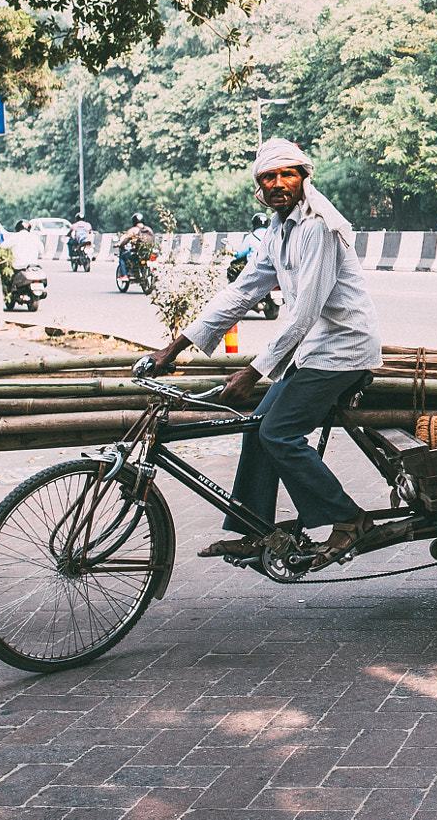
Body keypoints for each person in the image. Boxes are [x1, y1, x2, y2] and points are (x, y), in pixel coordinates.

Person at [143, 139, 383, 567]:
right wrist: (175, 347)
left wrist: (253, 372)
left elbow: (305, 312)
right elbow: (241, 292)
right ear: (259, 186)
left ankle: (349, 519)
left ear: (303, 178)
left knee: (279, 433)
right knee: (258, 427)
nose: (278, 184)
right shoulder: (277, 230)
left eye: (287, 174)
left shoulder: (318, 228)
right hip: (310, 352)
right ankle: (256, 531)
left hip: (342, 351)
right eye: (268, 177)